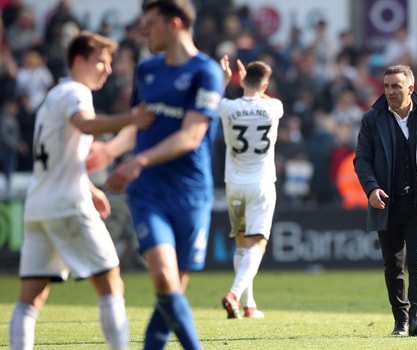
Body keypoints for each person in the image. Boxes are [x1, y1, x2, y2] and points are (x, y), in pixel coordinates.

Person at [86, 0, 224, 349]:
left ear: (175, 23)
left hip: (191, 191)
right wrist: (110, 150)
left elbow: (192, 136)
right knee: (163, 277)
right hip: (148, 191)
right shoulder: (147, 70)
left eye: (150, 22)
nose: (143, 30)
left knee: (171, 290)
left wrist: (138, 160)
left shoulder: (205, 72)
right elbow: (137, 123)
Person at [8, 31, 154, 350]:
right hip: (67, 205)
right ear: (78, 61)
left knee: (31, 298)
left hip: (38, 206)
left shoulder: (53, 96)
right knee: (111, 282)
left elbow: (59, 154)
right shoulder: (76, 91)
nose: (107, 69)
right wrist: (132, 117)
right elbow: (86, 123)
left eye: (109, 63)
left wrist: (89, 186)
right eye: (100, 61)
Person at [353, 64, 417, 337]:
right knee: (393, 265)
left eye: (395, 86)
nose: (389, 91)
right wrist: (372, 189)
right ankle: (400, 320)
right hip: (386, 204)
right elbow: (361, 159)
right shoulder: (371, 120)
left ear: (410, 88)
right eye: (386, 86)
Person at [217, 55, 284, 319]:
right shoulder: (274, 106)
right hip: (262, 184)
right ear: (265, 85)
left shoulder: (228, 107)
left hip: (233, 184)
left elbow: (213, 101)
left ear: (243, 80)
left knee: (242, 244)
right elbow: (265, 99)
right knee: (258, 245)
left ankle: (248, 304)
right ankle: (234, 294)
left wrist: (226, 81)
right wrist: (256, 88)